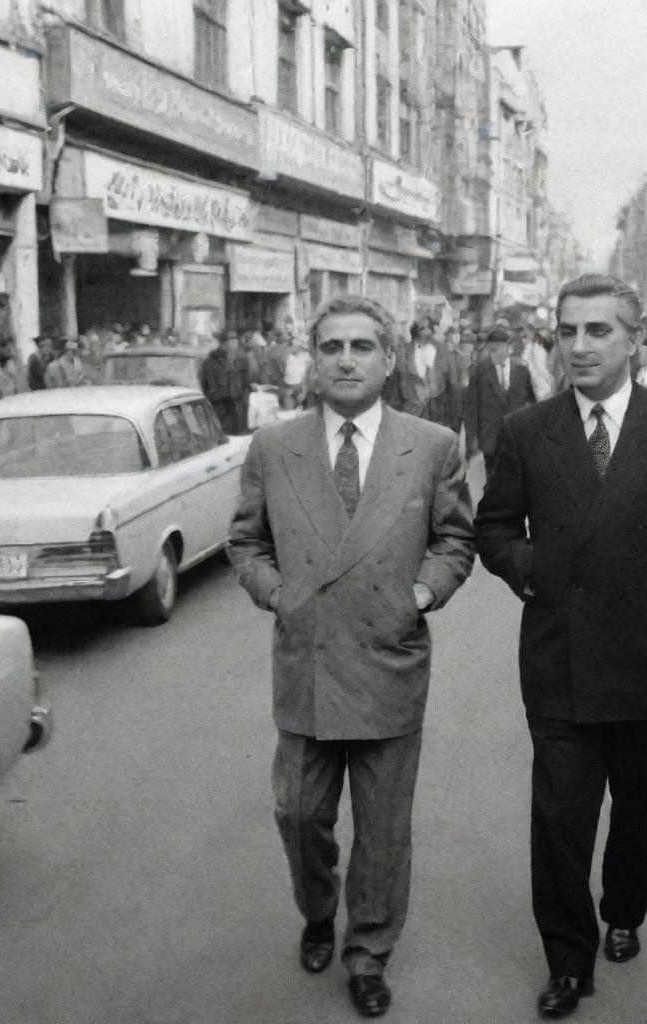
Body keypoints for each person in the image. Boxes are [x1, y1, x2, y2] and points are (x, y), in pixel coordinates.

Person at [474, 274, 647, 1019]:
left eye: (599, 331)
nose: (580, 345)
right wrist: (533, 568)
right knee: (560, 818)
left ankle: (624, 907)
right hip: (559, 656)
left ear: (634, 339)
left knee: (639, 804)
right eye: (568, 331)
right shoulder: (529, 430)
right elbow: (492, 528)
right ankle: (568, 960)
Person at [228, 294, 474, 1019]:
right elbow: (246, 542)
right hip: (306, 660)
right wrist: (276, 594)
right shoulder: (275, 446)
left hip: (388, 661)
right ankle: (316, 908)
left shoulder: (430, 445)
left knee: (383, 829)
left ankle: (368, 950)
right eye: (331, 345)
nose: (345, 358)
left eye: (362, 346)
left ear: (388, 360)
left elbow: (454, 541)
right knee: (299, 813)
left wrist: (422, 596)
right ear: (313, 359)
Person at [463, 324, 536, 477]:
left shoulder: (521, 370)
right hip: (489, 438)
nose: (494, 351)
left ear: (507, 347)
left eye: (498, 347)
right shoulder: (479, 371)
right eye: (492, 348)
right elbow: (471, 409)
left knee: (513, 478)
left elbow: (531, 404)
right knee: (492, 480)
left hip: (515, 437)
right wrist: (472, 440)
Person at [391, 319, 452, 423]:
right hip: (411, 403)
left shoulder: (437, 348)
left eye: (429, 327)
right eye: (423, 328)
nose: (428, 330)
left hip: (433, 403)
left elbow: (443, 375)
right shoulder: (404, 351)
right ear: (415, 332)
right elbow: (400, 378)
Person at [199, 332, 248, 433]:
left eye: (236, 343)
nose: (235, 347)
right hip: (220, 410)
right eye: (232, 343)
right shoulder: (211, 363)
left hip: (234, 409)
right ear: (224, 344)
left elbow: (242, 383)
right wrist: (227, 393)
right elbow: (209, 391)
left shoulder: (235, 360)